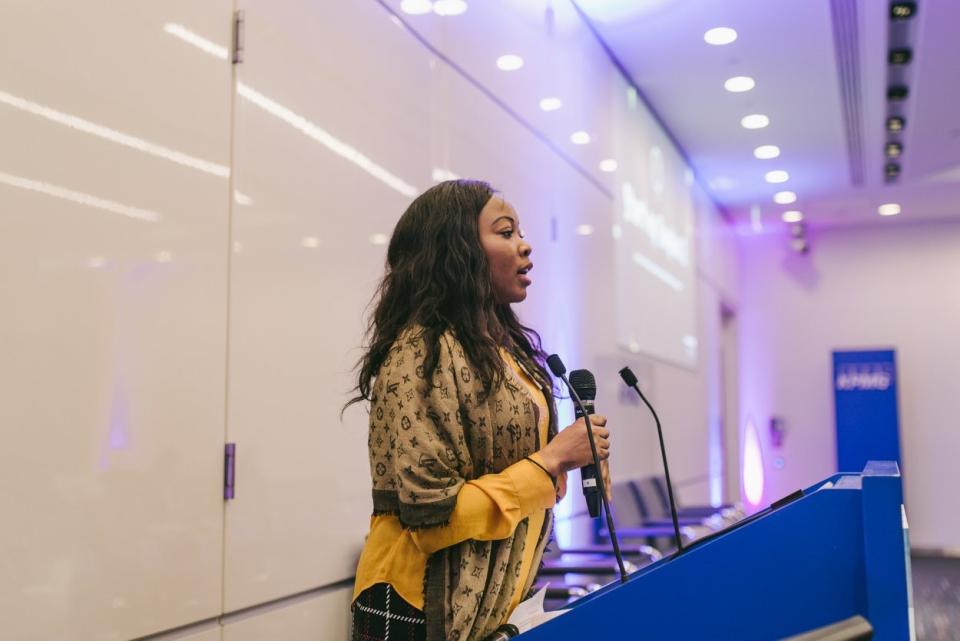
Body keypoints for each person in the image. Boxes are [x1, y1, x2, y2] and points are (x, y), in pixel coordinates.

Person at [346, 179, 611, 641]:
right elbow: (432, 517)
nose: (525, 246)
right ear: (457, 249)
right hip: (416, 612)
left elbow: (518, 481)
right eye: (506, 232)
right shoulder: (420, 353)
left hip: (492, 609)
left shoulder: (503, 352)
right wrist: (551, 460)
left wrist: (574, 460)